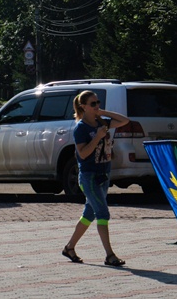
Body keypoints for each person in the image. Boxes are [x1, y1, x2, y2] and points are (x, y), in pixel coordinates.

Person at [62, 90, 130, 267]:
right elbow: (83, 154)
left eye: (98, 102)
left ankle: (69, 247)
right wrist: (97, 137)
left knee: (89, 214)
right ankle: (110, 255)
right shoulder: (81, 128)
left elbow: (125, 121)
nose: (97, 106)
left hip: (104, 174)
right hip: (89, 176)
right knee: (102, 213)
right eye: (93, 104)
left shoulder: (102, 122)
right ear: (83, 107)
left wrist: (103, 113)